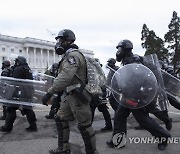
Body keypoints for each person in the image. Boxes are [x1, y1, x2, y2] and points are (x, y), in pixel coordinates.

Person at [106, 39, 171, 151]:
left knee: (143, 120)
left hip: (135, 96)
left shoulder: (134, 61)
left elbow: (139, 79)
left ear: (125, 49)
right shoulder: (128, 60)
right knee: (119, 116)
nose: (118, 51)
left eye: (120, 49)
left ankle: (163, 136)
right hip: (128, 95)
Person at [42, 29, 98, 154]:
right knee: (60, 118)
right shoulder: (68, 56)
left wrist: (50, 92)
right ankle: (64, 149)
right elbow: (66, 78)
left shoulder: (73, 56)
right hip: (69, 94)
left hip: (78, 95)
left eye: (60, 40)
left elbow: (66, 76)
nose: (58, 43)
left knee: (84, 126)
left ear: (68, 40)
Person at [0, 56, 37, 133]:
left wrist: (12, 94)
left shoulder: (18, 69)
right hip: (28, 92)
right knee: (28, 108)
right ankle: (33, 126)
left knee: (11, 109)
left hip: (19, 92)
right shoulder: (27, 68)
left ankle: (7, 127)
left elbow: (15, 82)